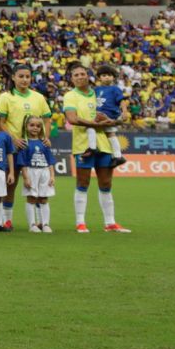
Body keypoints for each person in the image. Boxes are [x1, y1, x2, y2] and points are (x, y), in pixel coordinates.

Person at [64, 63, 129, 233]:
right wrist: (94, 123)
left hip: (105, 145)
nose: (79, 77)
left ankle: (110, 223)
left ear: (88, 76)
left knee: (106, 183)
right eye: (76, 75)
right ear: (72, 79)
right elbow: (72, 118)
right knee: (83, 182)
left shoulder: (99, 93)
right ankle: (80, 222)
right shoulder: (70, 96)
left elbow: (114, 115)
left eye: (82, 74)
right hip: (83, 145)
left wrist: (113, 121)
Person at [0, 64, 49, 230]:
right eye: (21, 76)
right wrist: (14, 139)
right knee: (10, 183)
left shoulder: (38, 97)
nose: (25, 80)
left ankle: (40, 222)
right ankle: (7, 219)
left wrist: (45, 137)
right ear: (13, 77)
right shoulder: (6, 97)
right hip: (13, 147)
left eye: (27, 76)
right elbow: (1, 122)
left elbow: (46, 118)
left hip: (33, 148)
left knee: (36, 183)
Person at [18, 116, 57, 233]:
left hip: (44, 172)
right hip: (31, 172)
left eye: (38, 126)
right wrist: (26, 178)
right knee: (31, 198)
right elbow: (23, 163)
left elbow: (50, 161)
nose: (35, 128)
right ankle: (32, 225)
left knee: (44, 198)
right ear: (26, 127)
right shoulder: (24, 143)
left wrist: (52, 176)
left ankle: (45, 224)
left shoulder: (44, 143)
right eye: (32, 125)